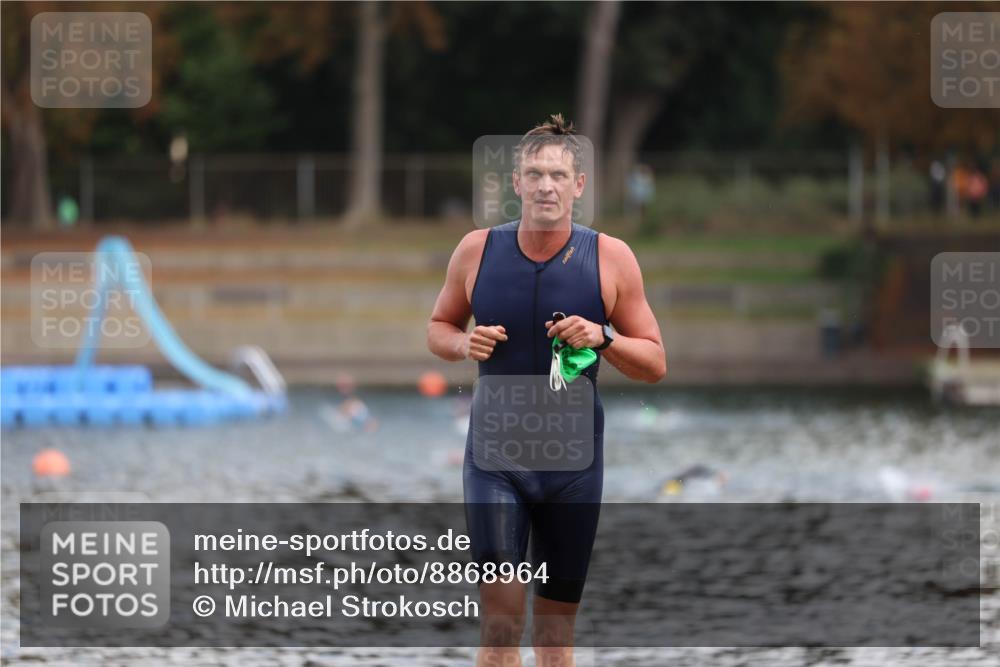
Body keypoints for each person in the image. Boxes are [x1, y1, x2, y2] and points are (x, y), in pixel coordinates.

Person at [427, 114, 666, 667]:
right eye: (534, 174)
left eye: (558, 175)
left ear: (578, 185)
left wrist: (603, 336)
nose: (545, 186)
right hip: (496, 461)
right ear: (516, 183)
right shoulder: (476, 250)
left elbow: (654, 362)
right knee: (501, 623)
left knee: (555, 640)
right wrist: (465, 345)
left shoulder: (611, 258)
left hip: (573, 467)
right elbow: (438, 328)